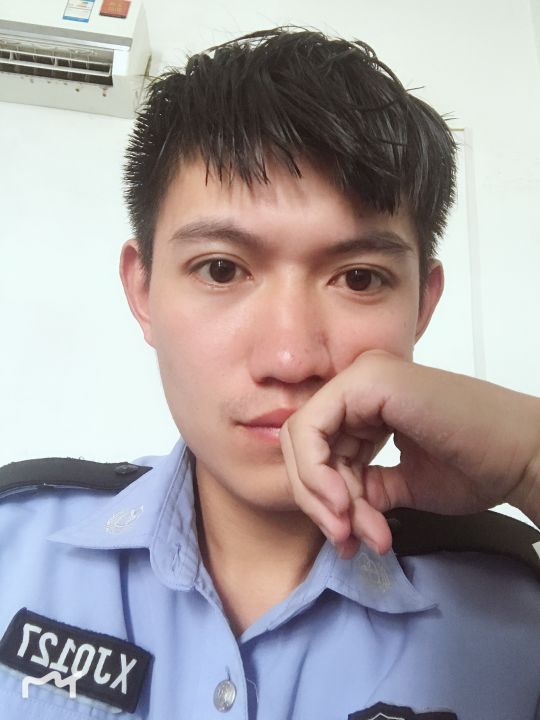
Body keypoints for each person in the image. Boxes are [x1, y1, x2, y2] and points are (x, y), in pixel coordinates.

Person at [0, 27, 539, 720]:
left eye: (359, 278)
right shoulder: (13, 545)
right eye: (222, 269)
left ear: (422, 306)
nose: (290, 360)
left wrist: (530, 460)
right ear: (143, 291)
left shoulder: (518, 612)